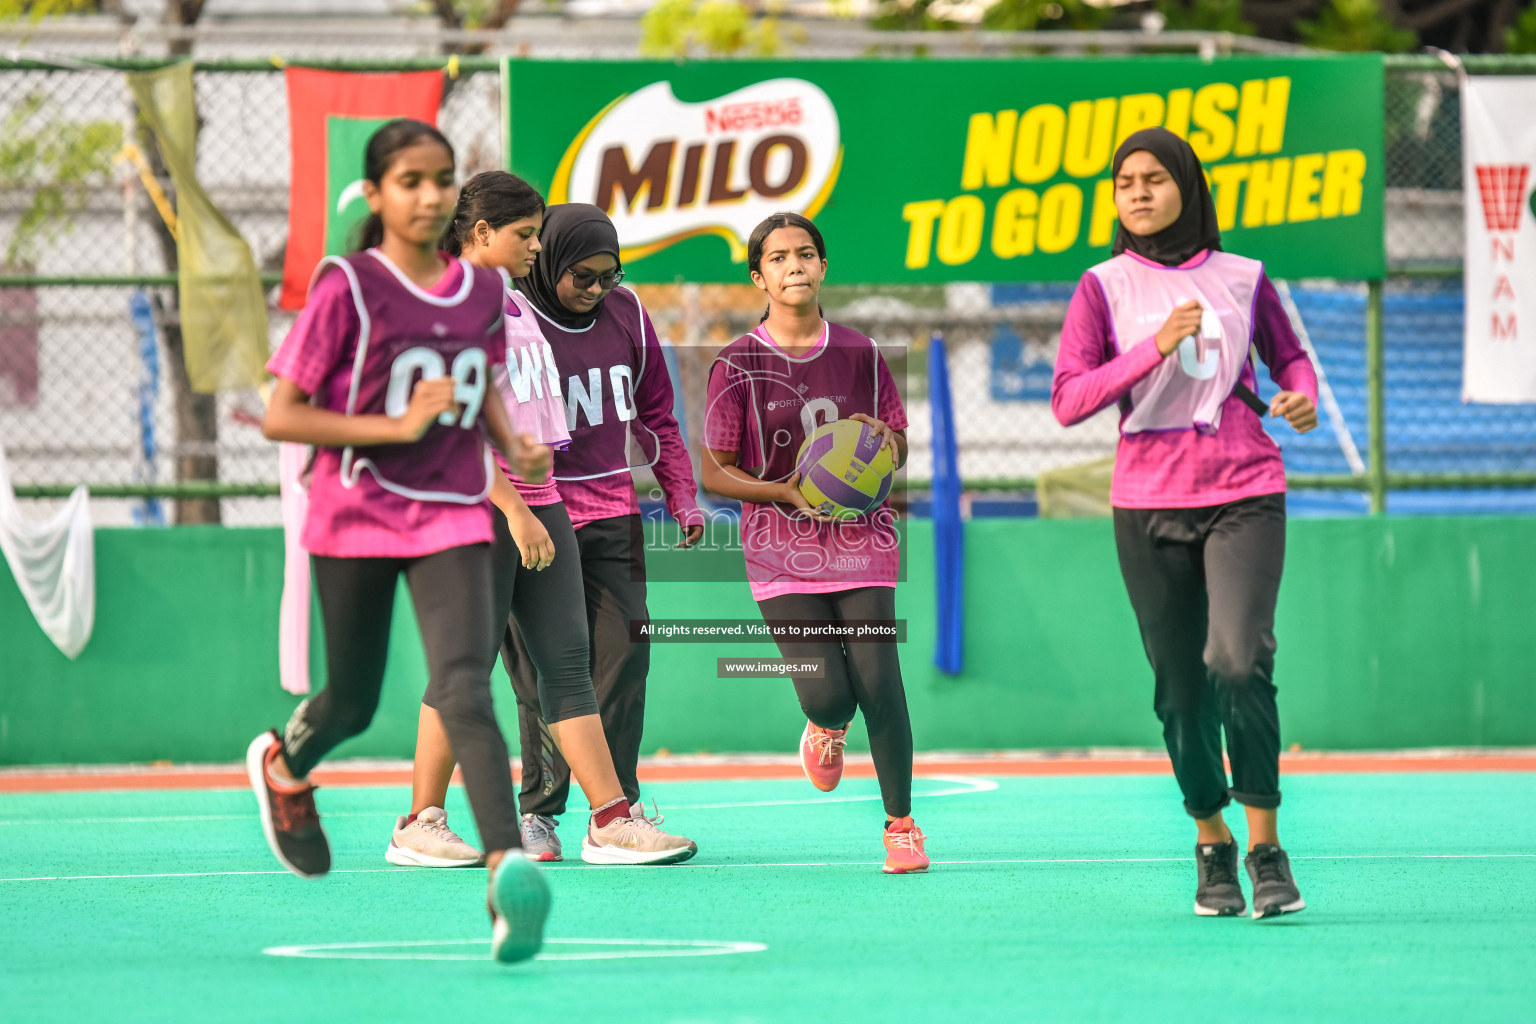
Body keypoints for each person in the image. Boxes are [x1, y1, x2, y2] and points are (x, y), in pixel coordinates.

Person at [248, 120, 550, 962]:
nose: (428, 195)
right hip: (356, 506)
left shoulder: (483, 291)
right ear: (376, 193)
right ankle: (283, 764)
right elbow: (281, 414)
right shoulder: (347, 285)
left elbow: (483, 376)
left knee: (463, 684)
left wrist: (509, 438)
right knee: (353, 699)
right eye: (410, 181)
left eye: (442, 180)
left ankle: (507, 873)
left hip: (453, 505)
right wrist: (392, 425)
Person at [1050, 127, 1319, 919]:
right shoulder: (1101, 286)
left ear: (1187, 187)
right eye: (1123, 180)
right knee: (1180, 693)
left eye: (1154, 178)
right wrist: (1150, 350)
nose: (1137, 191)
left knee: (1238, 660)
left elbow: (1290, 359)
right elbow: (1069, 400)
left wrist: (1296, 393)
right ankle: (1213, 843)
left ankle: (1267, 847)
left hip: (1244, 490)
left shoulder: (1244, 277)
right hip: (1146, 504)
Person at [400, 188, 698, 866]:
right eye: (527, 234)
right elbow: (454, 424)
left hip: (544, 502)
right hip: (491, 506)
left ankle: (610, 818)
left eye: (540, 235)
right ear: (480, 232)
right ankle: (420, 819)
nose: (536, 247)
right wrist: (512, 507)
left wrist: (539, 490)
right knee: (465, 664)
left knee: (569, 666)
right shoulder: (454, 306)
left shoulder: (504, 300)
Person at [700, 211, 928, 875]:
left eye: (805, 254)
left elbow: (899, 440)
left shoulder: (861, 351)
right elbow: (713, 471)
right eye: (778, 257)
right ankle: (825, 726)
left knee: (880, 677)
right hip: (779, 545)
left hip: (862, 540)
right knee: (829, 692)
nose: (794, 265)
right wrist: (788, 493)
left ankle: (902, 825)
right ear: (758, 275)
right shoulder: (736, 363)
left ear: (824, 266)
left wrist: (882, 445)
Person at [495, 204, 707, 862]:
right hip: (536, 513)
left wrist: (682, 494)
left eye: (608, 276)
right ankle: (538, 813)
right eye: (581, 276)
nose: (594, 289)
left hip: (612, 512)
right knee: (542, 675)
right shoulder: (511, 318)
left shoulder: (629, 315)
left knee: (625, 656)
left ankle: (615, 811)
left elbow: (658, 415)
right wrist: (509, 508)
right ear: (551, 262)